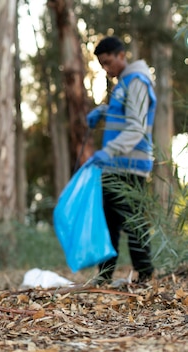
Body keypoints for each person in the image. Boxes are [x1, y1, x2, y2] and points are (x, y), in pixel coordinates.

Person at [86, 36, 156, 284]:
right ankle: (105, 276)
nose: (107, 69)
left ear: (121, 55)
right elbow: (126, 116)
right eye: (102, 65)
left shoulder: (137, 81)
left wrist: (109, 150)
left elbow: (136, 127)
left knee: (133, 222)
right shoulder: (124, 84)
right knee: (109, 224)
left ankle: (145, 275)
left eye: (108, 62)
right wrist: (105, 111)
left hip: (130, 166)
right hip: (115, 166)